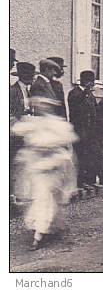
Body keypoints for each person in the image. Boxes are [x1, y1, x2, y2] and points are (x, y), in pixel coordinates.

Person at [11, 96, 78, 250]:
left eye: (44, 106)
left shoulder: (57, 123)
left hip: (53, 165)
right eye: (38, 106)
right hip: (36, 165)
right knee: (41, 198)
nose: (41, 109)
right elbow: (17, 130)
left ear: (50, 108)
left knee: (47, 197)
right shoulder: (32, 122)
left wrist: (49, 148)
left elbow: (66, 141)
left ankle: (39, 235)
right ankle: (52, 228)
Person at [68, 70, 103, 187]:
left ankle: (90, 181)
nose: (91, 84)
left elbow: (95, 111)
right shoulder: (74, 93)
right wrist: (85, 93)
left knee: (91, 156)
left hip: (90, 131)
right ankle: (80, 182)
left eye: (92, 81)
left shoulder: (90, 95)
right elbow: (75, 108)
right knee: (80, 156)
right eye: (89, 81)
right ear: (82, 81)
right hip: (79, 130)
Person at [10, 62, 36, 196]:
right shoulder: (13, 91)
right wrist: (16, 126)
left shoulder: (28, 90)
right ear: (23, 76)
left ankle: (23, 193)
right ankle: (11, 195)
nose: (32, 78)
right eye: (30, 76)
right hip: (16, 131)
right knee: (14, 160)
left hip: (29, 128)